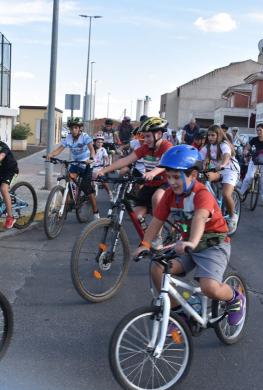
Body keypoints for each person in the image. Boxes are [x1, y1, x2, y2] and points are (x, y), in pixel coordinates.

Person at [133, 145, 245, 326]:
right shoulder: (170, 194)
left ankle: (235, 298)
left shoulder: (202, 195)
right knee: (157, 268)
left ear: (193, 175)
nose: (171, 182)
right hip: (188, 245)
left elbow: (200, 218)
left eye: (176, 177)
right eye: (168, 177)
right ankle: (181, 311)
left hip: (213, 245)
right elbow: (156, 221)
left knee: (209, 287)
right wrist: (145, 245)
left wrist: (191, 242)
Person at [96, 117, 173, 224]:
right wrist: (104, 170)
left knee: (156, 198)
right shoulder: (145, 148)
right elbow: (126, 160)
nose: (145, 140)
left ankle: (157, 236)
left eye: (148, 136)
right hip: (150, 184)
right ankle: (147, 235)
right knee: (136, 216)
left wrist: (152, 172)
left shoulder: (166, 146)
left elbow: (165, 163)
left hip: (165, 183)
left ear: (159, 134)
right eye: (144, 137)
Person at [47, 117, 100, 219]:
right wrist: (51, 154)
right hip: (75, 163)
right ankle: (68, 204)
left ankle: (95, 212)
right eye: (71, 128)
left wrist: (92, 158)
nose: (73, 130)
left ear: (80, 128)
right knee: (68, 179)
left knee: (87, 188)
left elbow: (92, 149)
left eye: (76, 128)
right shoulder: (69, 137)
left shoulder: (85, 137)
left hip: (86, 164)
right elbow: (59, 149)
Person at [201, 125, 240, 231]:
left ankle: (232, 217)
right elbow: (198, 156)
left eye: (213, 135)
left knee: (226, 194)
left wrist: (223, 164)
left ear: (218, 135)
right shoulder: (207, 147)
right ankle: (210, 203)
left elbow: (227, 155)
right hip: (217, 170)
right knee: (203, 178)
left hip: (230, 171)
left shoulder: (224, 145)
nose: (210, 137)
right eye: (208, 135)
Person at [92, 133, 112, 201]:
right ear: (94, 142)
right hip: (91, 167)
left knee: (103, 181)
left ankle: (109, 193)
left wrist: (107, 162)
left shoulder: (103, 149)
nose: (100, 144)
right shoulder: (91, 148)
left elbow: (106, 157)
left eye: (101, 142)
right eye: (98, 142)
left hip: (99, 168)